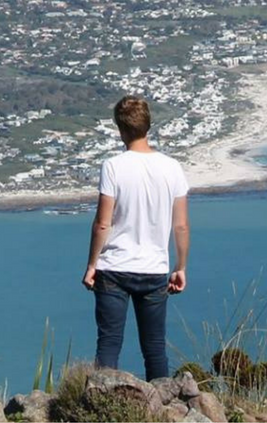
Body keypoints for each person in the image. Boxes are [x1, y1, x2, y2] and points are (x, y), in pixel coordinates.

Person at [81, 94, 191, 380]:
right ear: (148, 126)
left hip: (114, 268)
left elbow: (102, 223)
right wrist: (180, 267)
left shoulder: (114, 166)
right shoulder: (172, 167)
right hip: (154, 269)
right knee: (155, 348)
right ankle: (165, 406)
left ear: (121, 129)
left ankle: (101, 404)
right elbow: (180, 226)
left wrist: (92, 264)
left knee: (108, 345)